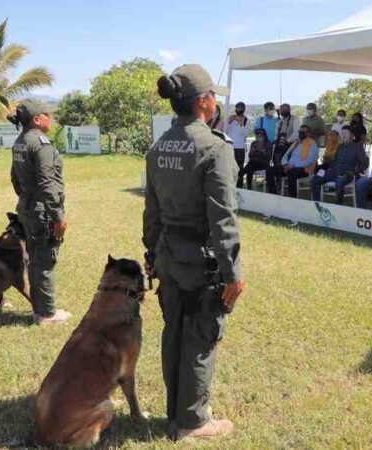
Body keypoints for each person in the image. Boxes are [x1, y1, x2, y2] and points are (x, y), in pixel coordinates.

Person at [144, 64, 244, 441]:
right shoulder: (214, 147)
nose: (215, 102)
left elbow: (150, 210)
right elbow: (224, 218)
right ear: (203, 102)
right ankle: (192, 422)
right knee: (200, 337)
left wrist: (152, 255)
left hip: (169, 255)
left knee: (174, 333)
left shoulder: (158, 147)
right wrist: (232, 272)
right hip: (200, 261)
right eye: (213, 96)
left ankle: (176, 411)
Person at [10, 98, 72, 326]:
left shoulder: (20, 141)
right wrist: (57, 215)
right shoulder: (40, 143)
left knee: (35, 259)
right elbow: (48, 183)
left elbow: (15, 177)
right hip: (42, 211)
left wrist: (26, 199)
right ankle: (46, 314)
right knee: (44, 260)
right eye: (47, 114)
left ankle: (40, 308)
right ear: (37, 119)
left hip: (28, 207)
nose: (51, 118)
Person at [310, 127, 369, 204]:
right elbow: (335, 161)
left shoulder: (357, 147)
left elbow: (365, 163)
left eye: (346, 133)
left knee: (339, 182)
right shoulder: (340, 146)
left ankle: (338, 206)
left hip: (348, 174)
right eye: (342, 133)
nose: (343, 135)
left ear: (351, 135)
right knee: (314, 180)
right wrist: (327, 163)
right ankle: (317, 203)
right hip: (334, 172)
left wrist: (355, 172)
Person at [269, 125, 319, 197]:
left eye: (303, 132)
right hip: (289, 167)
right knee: (271, 170)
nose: (300, 133)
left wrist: (293, 166)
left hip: (305, 169)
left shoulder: (312, 144)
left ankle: (292, 197)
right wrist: (285, 164)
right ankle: (273, 193)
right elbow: (285, 156)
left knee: (291, 173)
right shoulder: (296, 142)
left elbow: (309, 161)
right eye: (299, 132)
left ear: (309, 133)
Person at [227, 102, 249, 175]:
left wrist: (241, 124)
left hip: (240, 148)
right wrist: (229, 122)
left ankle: (239, 184)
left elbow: (245, 134)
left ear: (244, 109)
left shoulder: (246, 120)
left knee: (239, 169)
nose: (239, 109)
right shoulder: (231, 118)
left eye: (240, 108)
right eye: (237, 108)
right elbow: (226, 130)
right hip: (230, 147)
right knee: (230, 168)